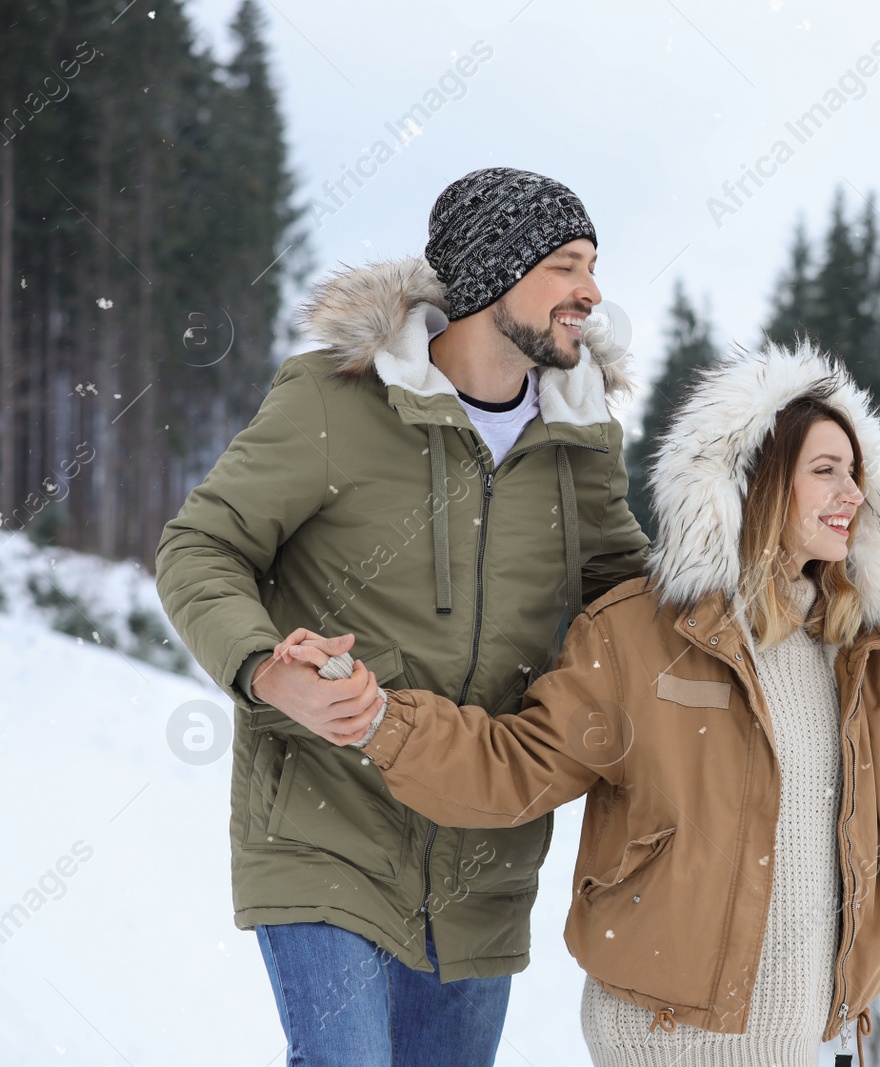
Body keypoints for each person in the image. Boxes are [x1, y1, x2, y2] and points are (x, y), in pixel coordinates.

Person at [273, 342, 880, 1066]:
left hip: (816, 1043)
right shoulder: (642, 632)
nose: (852, 494)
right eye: (826, 471)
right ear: (756, 481)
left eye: (857, 474)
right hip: (671, 1041)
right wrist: (380, 720)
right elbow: (517, 765)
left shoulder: (849, 648)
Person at [155, 167, 653, 1066]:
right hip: (324, 823)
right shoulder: (334, 401)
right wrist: (266, 668)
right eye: (566, 266)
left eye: (592, 266)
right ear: (493, 273)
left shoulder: (583, 448)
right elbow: (201, 546)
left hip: (482, 854)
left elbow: (636, 610)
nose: (591, 292)